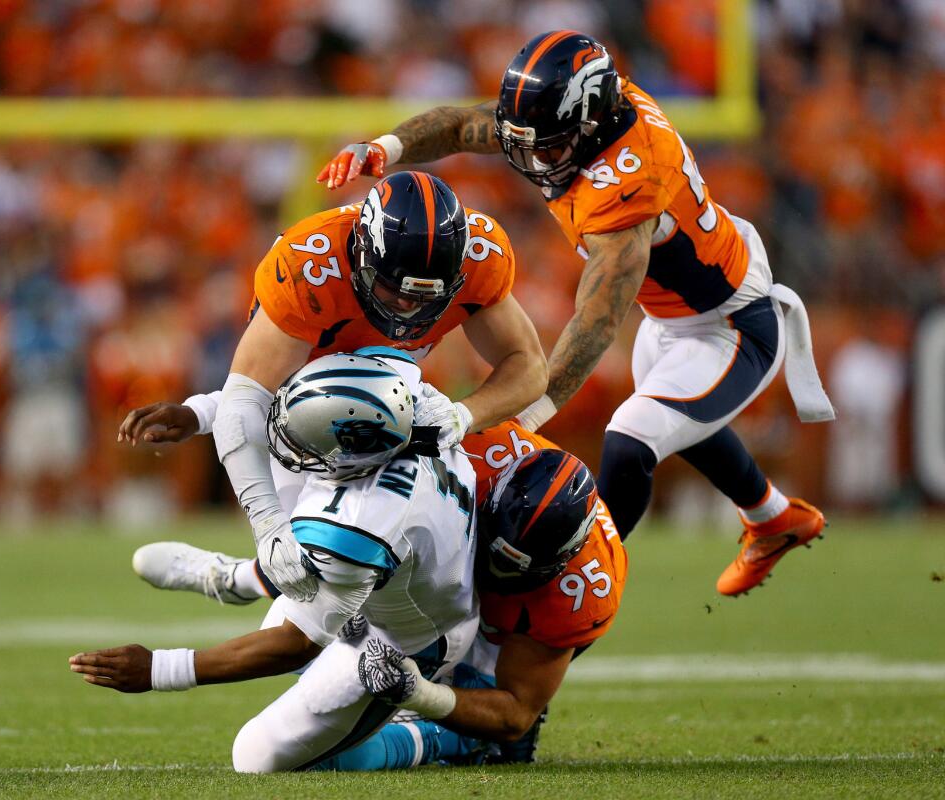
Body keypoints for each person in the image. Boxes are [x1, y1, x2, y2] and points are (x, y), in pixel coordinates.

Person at [318, 31, 835, 596]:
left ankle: (585, 581)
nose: (534, 158)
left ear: (588, 124)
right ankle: (775, 518)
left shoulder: (628, 179)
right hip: (675, 314)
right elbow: (462, 125)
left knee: (631, 438)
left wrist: (532, 411)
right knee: (676, 418)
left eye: (549, 145)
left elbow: (597, 319)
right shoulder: (583, 116)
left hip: (730, 324)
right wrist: (386, 148)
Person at [118, 170, 547, 603]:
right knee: (308, 581)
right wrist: (268, 526)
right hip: (304, 421)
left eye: (425, 297)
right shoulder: (311, 266)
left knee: (400, 573)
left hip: (396, 407)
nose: (407, 307)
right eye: (393, 289)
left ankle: (234, 579)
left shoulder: (479, 257)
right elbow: (250, 397)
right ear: (363, 253)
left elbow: (528, 365)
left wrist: (463, 414)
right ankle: (231, 579)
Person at [134, 414, 627, 770]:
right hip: (431, 578)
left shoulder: (580, 589)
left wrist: (424, 694)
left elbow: (515, 710)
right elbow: (365, 523)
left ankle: (449, 740)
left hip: (483, 636)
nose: (497, 569)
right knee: (356, 563)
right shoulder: (476, 451)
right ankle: (240, 578)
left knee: (298, 753)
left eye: (513, 567)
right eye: (496, 553)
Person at [72, 353, 481, 773]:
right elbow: (314, 398)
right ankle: (237, 578)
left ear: (351, 454)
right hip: (400, 578)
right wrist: (199, 413)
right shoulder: (406, 401)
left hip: (403, 640)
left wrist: (159, 669)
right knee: (303, 555)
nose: (288, 442)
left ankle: (444, 738)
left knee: (256, 755)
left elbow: (294, 643)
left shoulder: (362, 522)